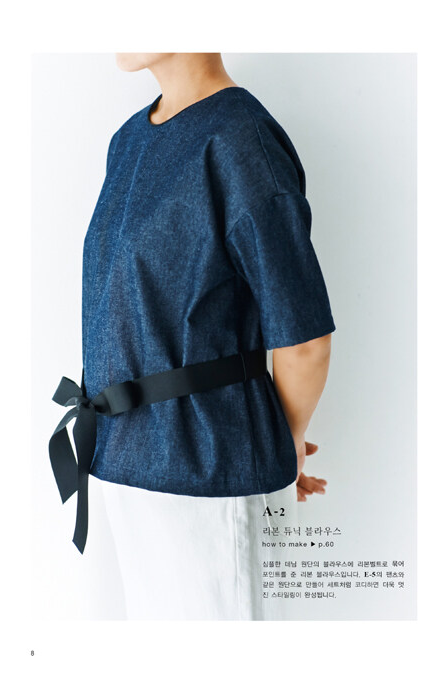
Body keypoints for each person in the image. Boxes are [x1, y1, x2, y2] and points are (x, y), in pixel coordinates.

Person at [76, 52, 335, 620]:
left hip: (205, 475)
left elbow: (305, 338)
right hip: (112, 468)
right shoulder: (128, 141)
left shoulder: (242, 140)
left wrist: (285, 443)